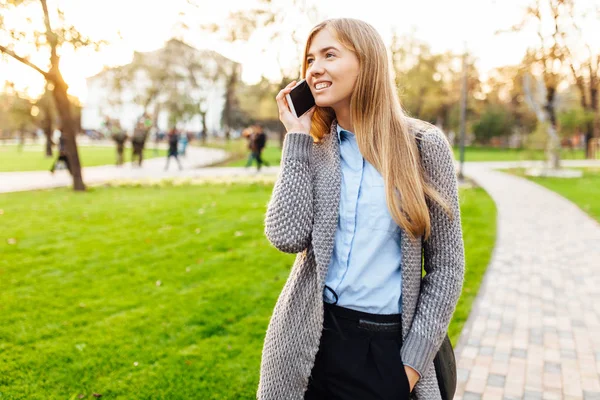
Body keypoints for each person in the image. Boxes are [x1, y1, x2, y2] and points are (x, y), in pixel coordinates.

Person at [258, 18, 465, 400]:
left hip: (386, 352)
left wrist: (409, 368)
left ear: (367, 63)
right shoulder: (315, 149)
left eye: (329, 55)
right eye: (309, 59)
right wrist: (297, 138)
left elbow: (448, 268)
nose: (314, 68)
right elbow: (286, 237)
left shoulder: (423, 145)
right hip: (309, 341)